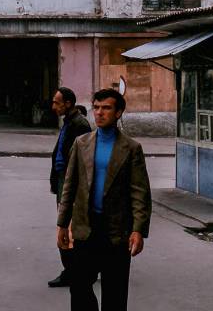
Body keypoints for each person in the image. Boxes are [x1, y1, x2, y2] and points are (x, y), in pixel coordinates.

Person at [57, 88, 152, 311]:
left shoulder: (131, 148)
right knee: (79, 287)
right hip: (85, 227)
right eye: (96, 108)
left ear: (118, 112)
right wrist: (62, 224)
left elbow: (140, 193)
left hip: (116, 231)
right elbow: (70, 186)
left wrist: (138, 230)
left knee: (115, 292)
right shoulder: (82, 143)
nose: (99, 113)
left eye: (106, 108)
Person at [48, 87, 91, 288]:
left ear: (68, 103)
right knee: (66, 226)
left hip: (70, 182)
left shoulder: (79, 124)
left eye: (57, 102)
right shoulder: (69, 122)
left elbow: (82, 158)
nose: (54, 106)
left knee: (67, 228)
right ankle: (78, 269)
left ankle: (72, 271)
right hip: (62, 179)